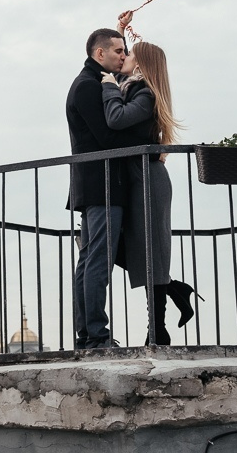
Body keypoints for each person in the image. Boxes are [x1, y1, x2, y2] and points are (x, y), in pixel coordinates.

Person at [100, 12, 196, 344]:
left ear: (140, 66)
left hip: (148, 180)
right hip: (133, 177)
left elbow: (117, 118)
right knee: (125, 248)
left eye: (129, 55)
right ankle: (175, 289)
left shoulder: (145, 94)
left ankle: (157, 331)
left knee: (151, 252)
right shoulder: (131, 86)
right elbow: (113, 63)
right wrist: (120, 29)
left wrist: (109, 88)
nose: (123, 57)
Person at [66, 27, 139, 349]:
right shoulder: (88, 86)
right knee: (97, 261)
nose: (124, 56)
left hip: (96, 185)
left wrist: (121, 31)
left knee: (89, 260)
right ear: (100, 54)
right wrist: (148, 140)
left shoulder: (93, 80)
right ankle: (96, 335)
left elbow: (117, 56)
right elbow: (107, 137)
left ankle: (88, 334)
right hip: (102, 185)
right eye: (118, 51)